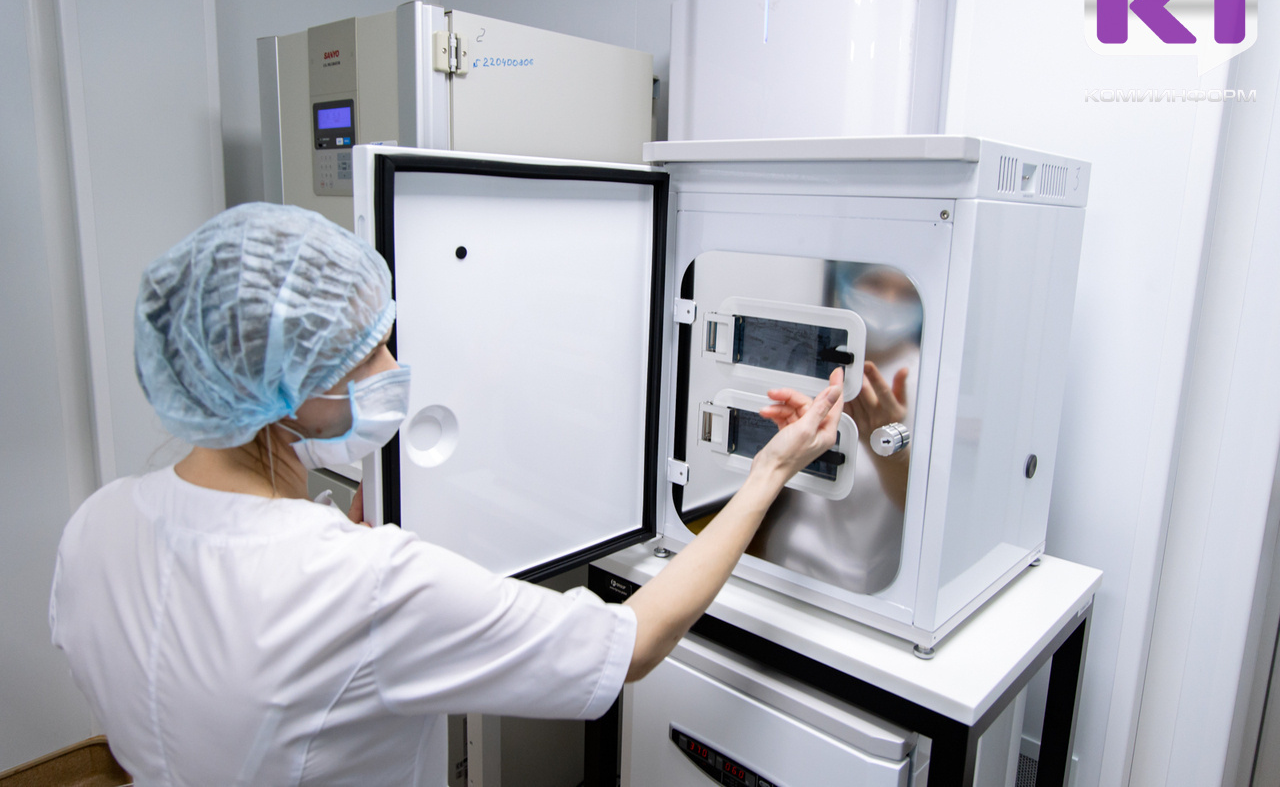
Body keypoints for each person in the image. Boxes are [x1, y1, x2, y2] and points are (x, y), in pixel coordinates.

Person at [48, 203, 843, 786]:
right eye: (369, 349)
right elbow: (630, 645)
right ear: (295, 384)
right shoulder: (362, 583)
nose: (393, 364)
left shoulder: (95, 527)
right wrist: (768, 472)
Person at [750, 263, 922, 595]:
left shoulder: (926, 384)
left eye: (906, 293)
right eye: (875, 284)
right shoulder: (814, 359)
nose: (889, 301)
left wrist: (884, 445)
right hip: (779, 566)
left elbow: (920, 506)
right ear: (844, 282)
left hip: (854, 590)